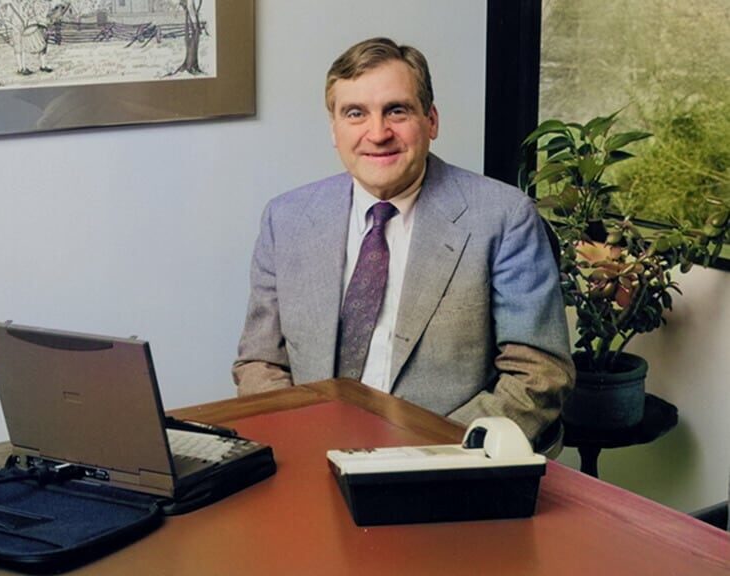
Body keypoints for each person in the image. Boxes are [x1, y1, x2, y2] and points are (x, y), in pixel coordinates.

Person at [233, 37, 574, 448]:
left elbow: (538, 375)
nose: (377, 133)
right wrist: (303, 440)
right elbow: (260, 361)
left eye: (396, 110)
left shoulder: (504, 217)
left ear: (431, 121)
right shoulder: (285, 218)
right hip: (312, 453)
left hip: (445, 465)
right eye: (355, 113)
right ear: (334, 129)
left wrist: (426, 452)